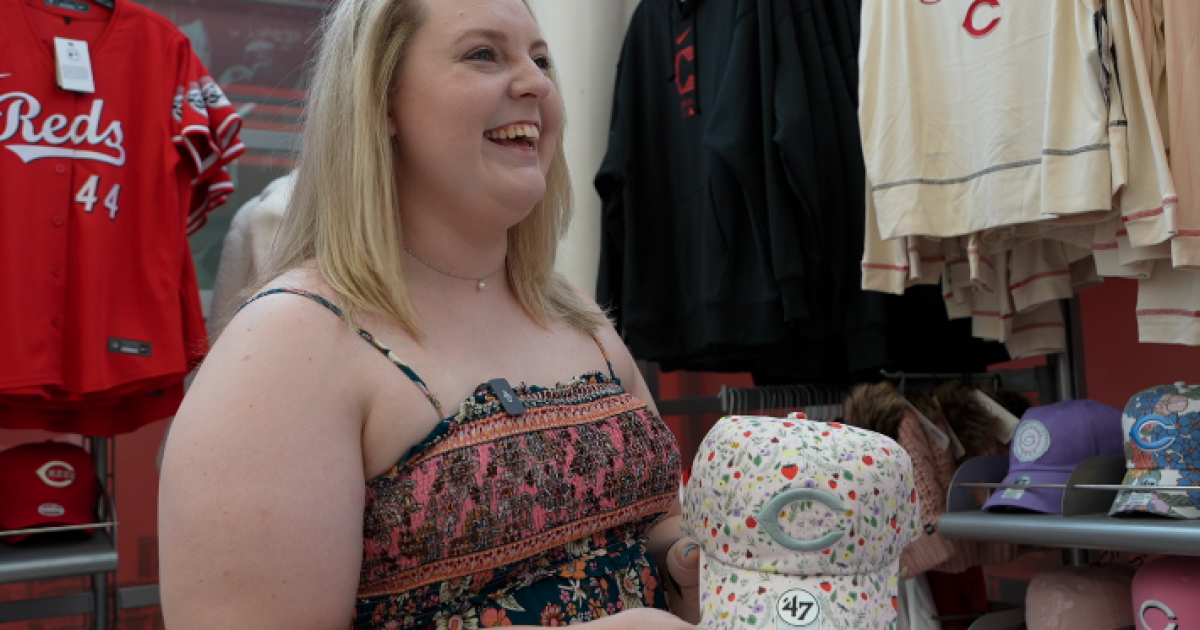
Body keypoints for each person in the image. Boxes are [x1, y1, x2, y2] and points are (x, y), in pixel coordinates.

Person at [157, 0, 702, 628]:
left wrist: (681, 559)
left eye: (541, 59)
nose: (536, 82)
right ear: (381, 99)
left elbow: (647, 522)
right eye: (484, 54)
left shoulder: (570, 308)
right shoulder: (288, 346)